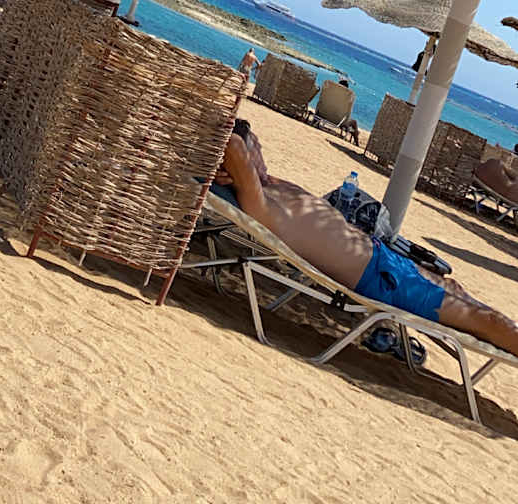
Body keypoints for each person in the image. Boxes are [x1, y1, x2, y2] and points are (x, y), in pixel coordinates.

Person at [216, 125, 518, 355]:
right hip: (383, 281)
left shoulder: (275, 186)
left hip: (385, 258)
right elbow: (231, 141)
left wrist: (235, 163)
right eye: (256, 146)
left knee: (456, 288)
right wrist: (228, 158)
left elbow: (238, 148)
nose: (262, 150)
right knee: (488, 322)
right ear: (243, 159)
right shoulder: (263, 204)